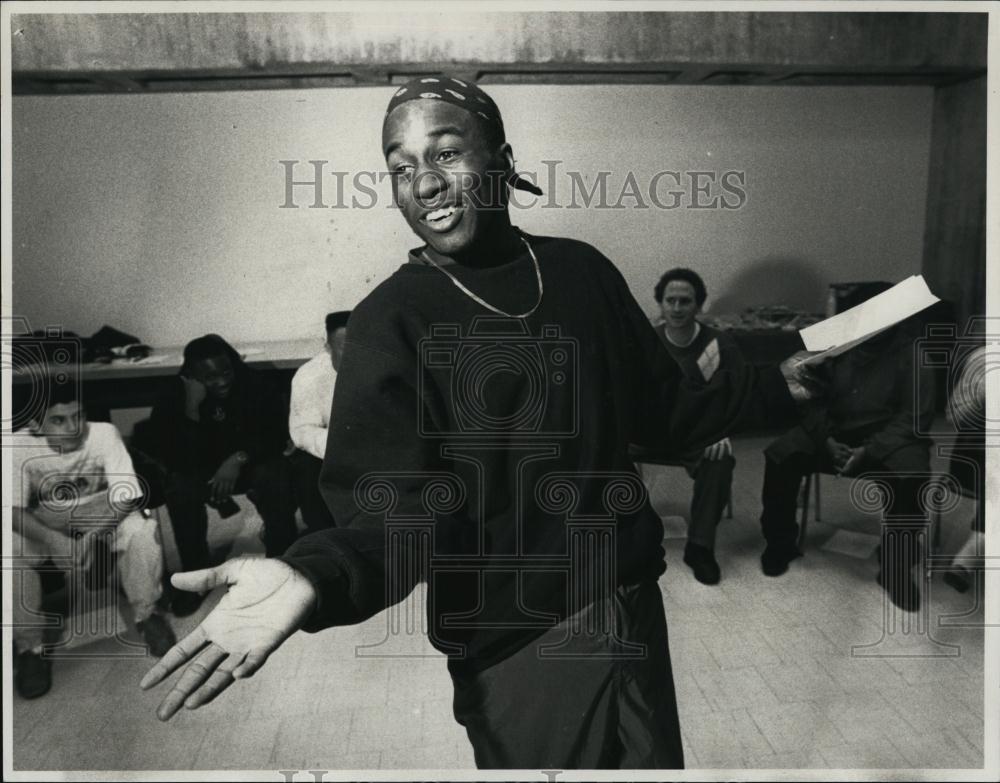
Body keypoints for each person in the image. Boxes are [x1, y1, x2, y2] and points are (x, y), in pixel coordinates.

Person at [141, 76, 818, 768]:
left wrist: (775, 387)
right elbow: (392, 513)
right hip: (517, 640)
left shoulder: (581, 272)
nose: (423, 183)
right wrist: (313, 572)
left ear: (501, 158)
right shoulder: (392, 322)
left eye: (445, 152)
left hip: (630, 601)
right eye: (400, 168)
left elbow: (666, 412)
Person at [758, 308, 935, 611]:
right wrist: (827, 441)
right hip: (834, 434)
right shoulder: (834, 349)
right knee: (781, 455)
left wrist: (869, 451)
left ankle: (895, 568)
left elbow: (913, 419)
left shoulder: (915, 355)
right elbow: (810, 402)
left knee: (912, 477)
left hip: (889, 438)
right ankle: (780, 543)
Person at [11, 381, 176, 699]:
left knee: (143, 531)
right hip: (46, 514)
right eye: (59, 420)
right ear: (34, 424)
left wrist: (91, 537)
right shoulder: (16, 446)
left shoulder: (103, 433)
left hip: (102, 508)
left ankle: (147, 612)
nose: (73, 427)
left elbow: (126, 497)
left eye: (78, 415)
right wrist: (54, 540)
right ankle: (30, 646)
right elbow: (12, 510)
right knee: (8, 550)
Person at [139, 334, 298, 616]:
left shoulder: (254, 384)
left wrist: (237, 459)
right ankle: (197, 570)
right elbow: (175, 456)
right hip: (201, 471)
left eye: (226, 372)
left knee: (276, 473)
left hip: (249, 464)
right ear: (192, 377)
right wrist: (192, 408)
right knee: (180, 485)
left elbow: (274, 435)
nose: (222, 381)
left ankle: (280, 559)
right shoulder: (175, 395)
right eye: (210, 377)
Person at [651, 267, 744, 585]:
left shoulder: (719, 345)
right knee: (605, 450)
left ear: (699, 306)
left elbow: (736, 396)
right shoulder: (647, 341)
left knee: (719, 461)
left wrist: (722, 432)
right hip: (652, 431)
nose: (677, 308)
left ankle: (700, 548)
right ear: (660, 304)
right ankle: (624, 538)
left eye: (685, 301)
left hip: (696, 435)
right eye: (670, 300)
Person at [287, 311, 350, 531]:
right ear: (328, 347)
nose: (353, 356)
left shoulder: (383, 366)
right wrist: (342, 446)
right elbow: (302, 431)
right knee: (306, 469)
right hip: (328, 450)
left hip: (375, 448)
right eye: (344, 348)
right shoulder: (308, 376)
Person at [942, 343, 987, 592]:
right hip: (975, 459)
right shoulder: (983, 359)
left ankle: (975, 546)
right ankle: (974, 550)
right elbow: (953, 416)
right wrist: (982, 397)